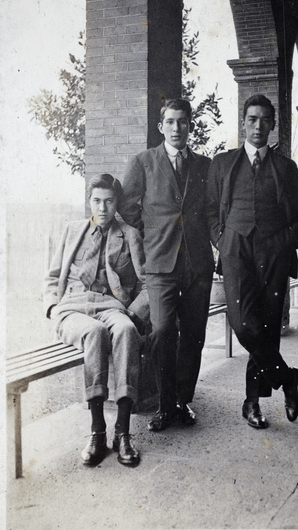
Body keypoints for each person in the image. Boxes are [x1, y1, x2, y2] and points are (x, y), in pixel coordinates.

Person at [206, 94, 298, 429]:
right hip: (235, 250)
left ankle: (252, 402)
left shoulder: (285, 167)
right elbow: (210, 212)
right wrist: (222, 242)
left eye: (265, 120)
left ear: (273, 124)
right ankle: (288, 377)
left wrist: (283, 243)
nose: (257, 126)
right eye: (252, 119)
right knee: (244, 326)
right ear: (243, 122)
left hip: (273, 254)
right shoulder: (222, 164)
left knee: (266, 328)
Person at [119, 98, 215, 431]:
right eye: (171, 122)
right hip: (160, 265)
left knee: (193, 334)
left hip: (197, 264)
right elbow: (127, 206)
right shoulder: (143, 162)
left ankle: (181, 402)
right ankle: (163, 403)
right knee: (161, 332)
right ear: (161, 127)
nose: (177, 128)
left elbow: (212, 211)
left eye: (183, 122)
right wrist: (153, 231)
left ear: (190, 126)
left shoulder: (204, 166)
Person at [43, 173, 149, 466]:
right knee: (94, 333)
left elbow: (146, 283)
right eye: (97, 201)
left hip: (110, 306)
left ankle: (123, 433)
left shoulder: (129, 235)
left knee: (126, 331)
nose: (103, 208)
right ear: (89, 202)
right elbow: (52, 277)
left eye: (109, 201)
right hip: (73, 307)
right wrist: (52, 307)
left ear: (117, 203)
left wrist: (132, 312)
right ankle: (97, 431)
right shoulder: (72, 230)